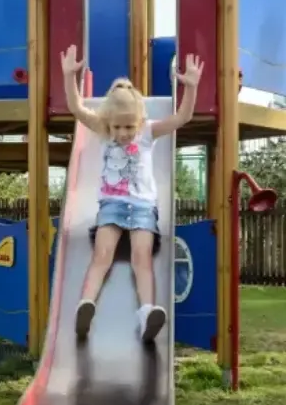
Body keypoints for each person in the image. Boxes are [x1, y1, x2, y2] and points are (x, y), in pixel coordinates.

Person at [60, 44, 204, 342]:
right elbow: (76, 108)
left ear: (139, 121)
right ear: (108, 123)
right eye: (117, 127)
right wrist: (69, 76)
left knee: (142, 258)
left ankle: (147, 313)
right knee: (102, 255)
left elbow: (182, 118)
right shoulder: (103, 130)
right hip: (111, 205)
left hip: (142, 208)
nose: (123, 133)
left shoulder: (147, 132)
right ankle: (85, 306)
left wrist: (190, 87)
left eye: (128, 126)